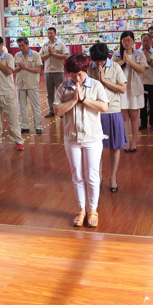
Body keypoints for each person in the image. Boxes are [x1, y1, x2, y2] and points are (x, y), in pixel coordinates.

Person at [54, 54, 109, 227]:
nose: (77, 78)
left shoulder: (96, 85)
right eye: (73, 74)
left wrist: (84, 99)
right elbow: (57, 110)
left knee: (92, 176)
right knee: (77, 175)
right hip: (72, 138)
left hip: (92, 138)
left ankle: (93, 209)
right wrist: (74, 100)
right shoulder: (63, 87)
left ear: (85, 70)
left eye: (80, 74)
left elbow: (104, 106)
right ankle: (81, 210)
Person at [88, 43, 127, 193]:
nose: (99, 64)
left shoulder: (115, 67)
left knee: (114, 146)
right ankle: (98, 175)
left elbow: (122, 89)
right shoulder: (90, 67)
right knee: (96, 147)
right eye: (96, 61)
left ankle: (113, 177)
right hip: (96, 111)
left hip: (113, 110)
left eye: (101, 61)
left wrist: (104, 81)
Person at [0, 35, 25, 151]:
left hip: (7, 93)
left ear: (1, 45)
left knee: (12, 119)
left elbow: (9, 71)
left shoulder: (8, 57)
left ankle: (18, 141)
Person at [112, 31, 147, 152]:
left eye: (128, 40)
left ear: (133, 41)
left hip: (135, 89)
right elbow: (111, 69)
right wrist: (123, 60)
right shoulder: (116, 55)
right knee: (124, 116)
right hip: (121, 89)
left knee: (135, 115)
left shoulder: (139, 54)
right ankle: (126, 142)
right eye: (124, 40)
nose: (126, 42)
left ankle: (134, 142)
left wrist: (129, 61)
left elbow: (142, 69)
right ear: (121, 42)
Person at [14, 36, 43, 135]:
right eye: (19, 46)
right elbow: (13, 69)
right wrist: (19, 67)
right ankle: (25, 126)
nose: (21, 48)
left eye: (23, 45)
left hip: (32, 84)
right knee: (22, 107)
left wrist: (25, 67)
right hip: (21, 84)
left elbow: (38, 70)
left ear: (27, 44)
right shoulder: (17, 55)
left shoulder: (35, 55)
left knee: (35, 107)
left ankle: (38, 126)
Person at [40, 27, 68, 117]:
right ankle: (51, 111)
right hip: (47, 72)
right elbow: (40, 57)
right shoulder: (45, 45)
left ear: (55, 34)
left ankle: (62, 111)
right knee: (50, 93)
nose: (49, 35)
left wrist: (54, 54)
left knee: (60, 92)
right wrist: (49, 54)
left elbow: (65, 56)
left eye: (51, 33)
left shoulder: (61, 44)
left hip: (58, 71)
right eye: (48, 33)